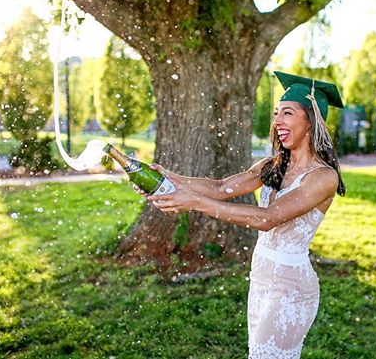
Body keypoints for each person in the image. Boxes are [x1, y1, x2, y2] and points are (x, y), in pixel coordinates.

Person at [141, 71, 346, 358]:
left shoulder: (323, 178)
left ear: (311, 121)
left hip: (291, 287)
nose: (276, 122)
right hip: (261, 278)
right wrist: (171, 178)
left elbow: (268, 218)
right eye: (276, 114)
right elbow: (222, 187)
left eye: (287, 113)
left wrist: (195, 202)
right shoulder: (272, 165)